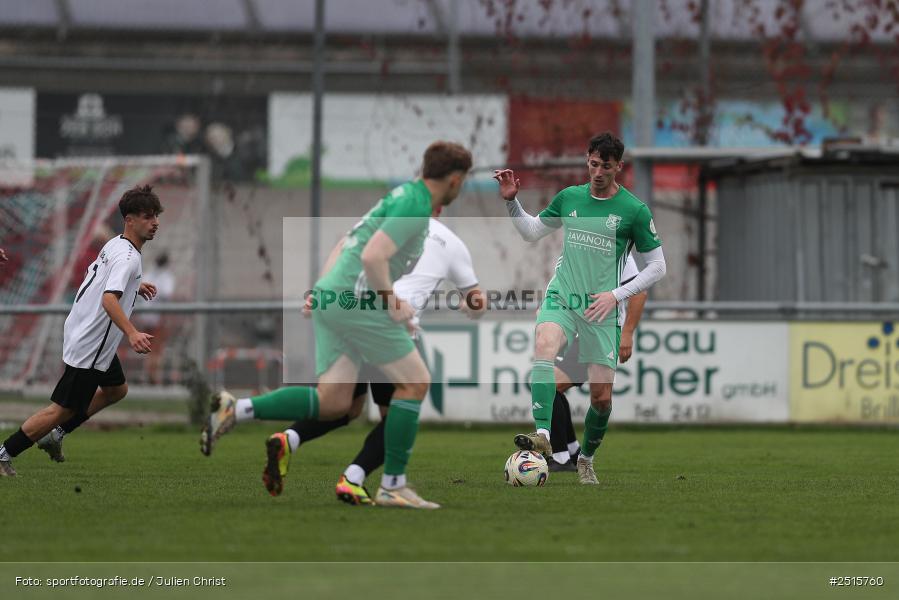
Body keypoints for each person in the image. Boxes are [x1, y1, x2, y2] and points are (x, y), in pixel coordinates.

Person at [201, 141, 473, 508]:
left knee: (335, 403)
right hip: (357, 301)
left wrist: (324, 290)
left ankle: (238, 409)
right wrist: (393, 303)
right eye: (464, 180)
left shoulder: (404, 195)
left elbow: (349, 244)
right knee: (416, 381)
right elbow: (372, 255)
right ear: (455, 180)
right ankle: (392, 485)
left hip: (335, 297)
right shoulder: (414, 203)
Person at [265, 213, 485, 504]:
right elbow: (476, 300)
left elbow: (343, 246)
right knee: (397, 411)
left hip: (354, 318)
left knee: (343, 406)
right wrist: (474, 306)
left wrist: (320, 290)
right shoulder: (452, 243)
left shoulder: (386, 222)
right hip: (390, 330)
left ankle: (288, 438)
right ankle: (357, 478)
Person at [493, 131, 665, 485]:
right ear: (586, 159)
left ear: (619, 166)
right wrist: (512, 202)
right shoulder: (569, 198)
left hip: (601, 312)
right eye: (593, 163)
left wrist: (615, 296)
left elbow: (658, 267)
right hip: (563, 296)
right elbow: (531, 232)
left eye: (605, 165)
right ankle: (544, 435)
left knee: (601, 399)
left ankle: (585, 458)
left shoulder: (633, 211)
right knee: (543, 347)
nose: (598, 171)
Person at [0, 186, 163, 476]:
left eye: (156, 216)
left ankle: (56, 435)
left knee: (116, 390)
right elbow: (109, 298)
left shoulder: (116, 244)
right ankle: (5, 452)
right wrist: (132, 332)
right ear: (129, 219)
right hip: (92, 343)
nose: (155, 222)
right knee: (60, 409)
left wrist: (136, 286)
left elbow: (104, 282)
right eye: (148, 217)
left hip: (84, 330)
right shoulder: (128, 258)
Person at [547, 253, 647, 471]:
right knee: (554, 386)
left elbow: (639, 292)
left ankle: (562, 457)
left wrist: (628, 333)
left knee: (555, 387)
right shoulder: (572, 247)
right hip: (580, 331)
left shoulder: (615, 247)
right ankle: (571, 451)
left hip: (601, 332)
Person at [139, 253, 176, 384]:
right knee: (156, 348)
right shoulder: (166, 277)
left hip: (146, 315)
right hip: (158, 316)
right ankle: (153, 376)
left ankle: (149, 374)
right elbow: (167, 293)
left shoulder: (149, 274)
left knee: (148, 347)